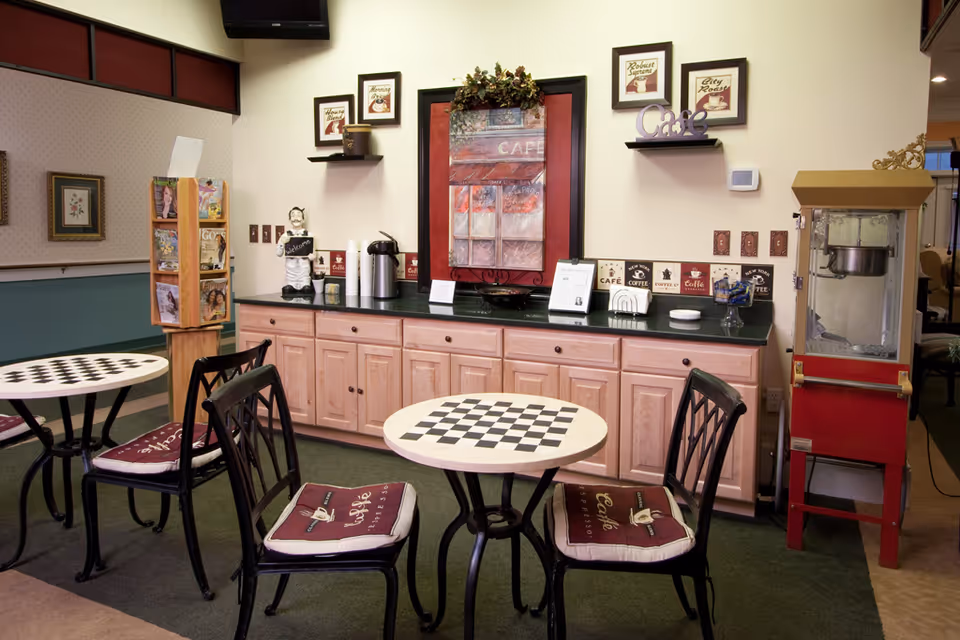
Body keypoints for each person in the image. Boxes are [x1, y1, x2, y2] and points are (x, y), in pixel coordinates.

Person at [276, 207, 315, 296]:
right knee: (288, 294)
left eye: (298, 215)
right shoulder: (285, 235)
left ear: (303, 219)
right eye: (293, 216)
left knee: (306, 293)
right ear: (290, 219)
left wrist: (312, 257)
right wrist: (282, 242)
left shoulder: (309, 235)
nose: (296, 218)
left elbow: (313, 254)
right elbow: (278, 253)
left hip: (304, 274)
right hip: (290, 276)